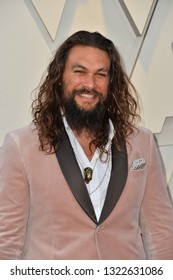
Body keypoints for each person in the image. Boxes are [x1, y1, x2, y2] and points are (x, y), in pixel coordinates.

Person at [0, 30, 173, 260]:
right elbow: (6, 240)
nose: (90, 84)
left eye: (101, 74)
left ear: (111, 82)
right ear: (60, 76)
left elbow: (160, 231)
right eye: (79, 72)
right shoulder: (22, 145)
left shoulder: (142, 143)